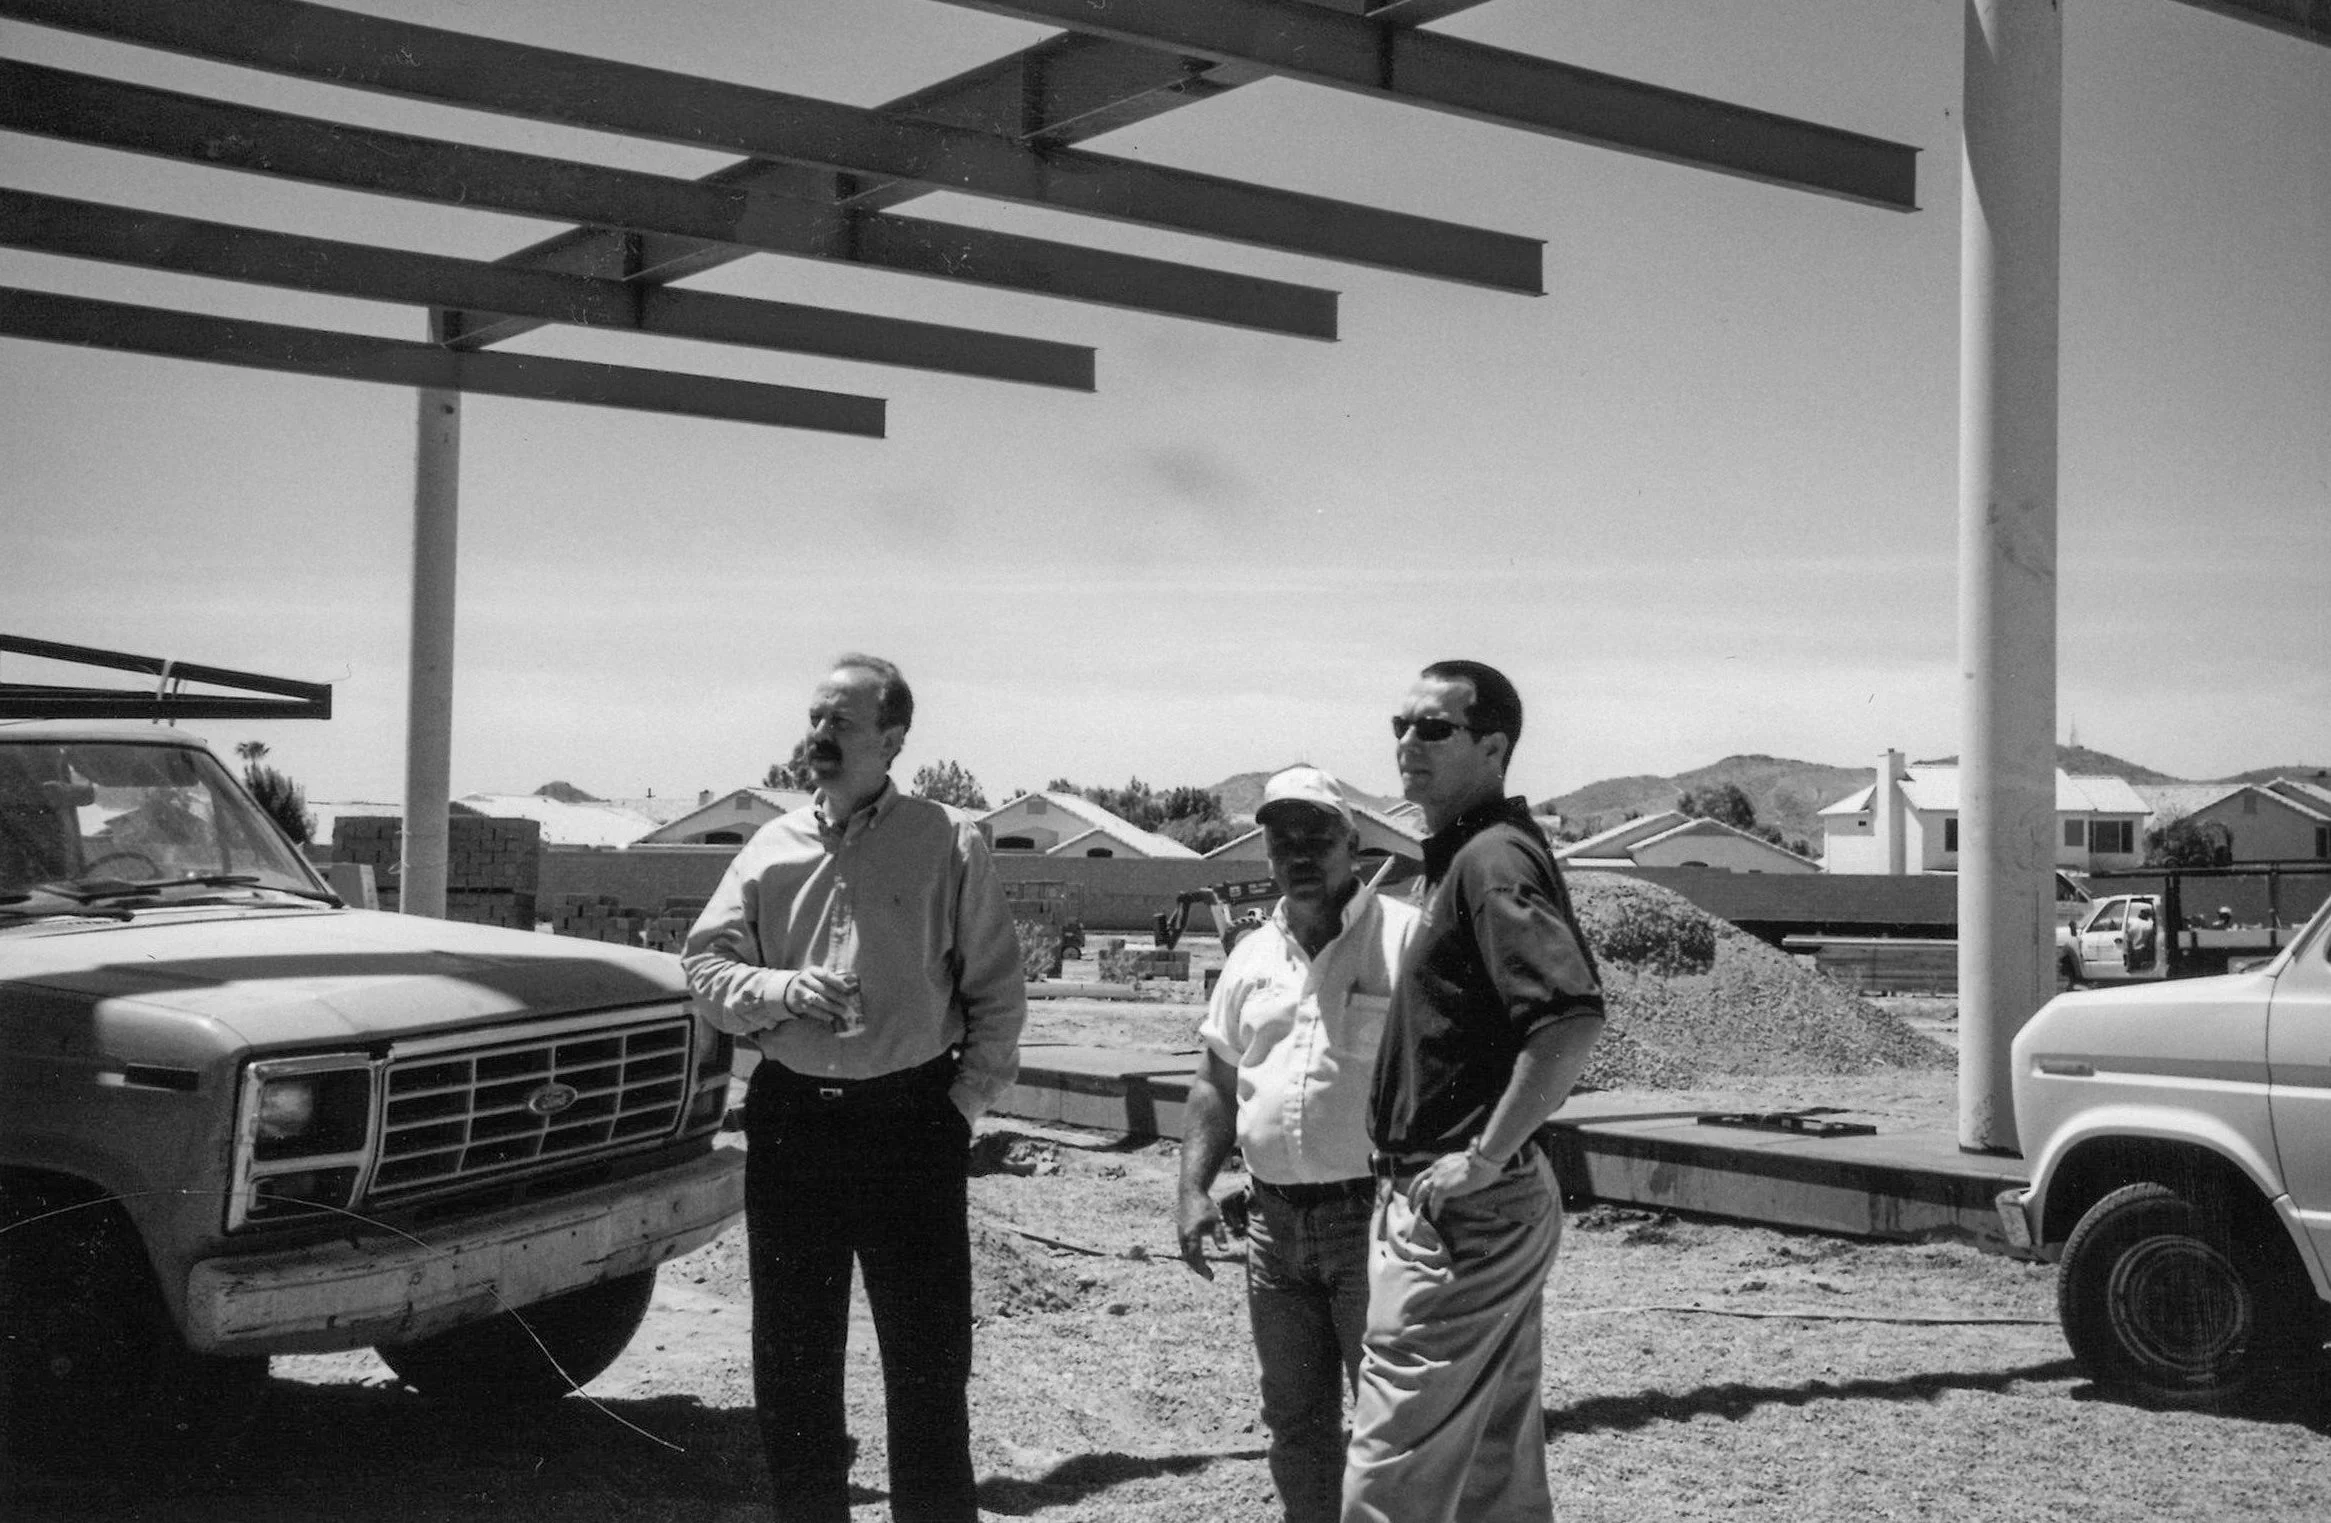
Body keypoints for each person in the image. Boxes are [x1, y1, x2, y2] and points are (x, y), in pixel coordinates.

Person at [682, 654, 1026, 1523]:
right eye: (812, 719)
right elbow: (703, 966)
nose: (816, 737)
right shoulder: (768, 847)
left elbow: (996, 992)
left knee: (927, 1359)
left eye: (838, 721)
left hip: (911, 1123)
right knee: (792, 1357)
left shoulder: (949, 840)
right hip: (795, 1123)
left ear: (893, 738)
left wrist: (959, 1109)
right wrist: (780, 990)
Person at [1343, 660, 1606, 1523]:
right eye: (1399, 726)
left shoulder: (1490, 860)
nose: (1406, 744)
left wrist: (1483, 1156)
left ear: (1492, 747)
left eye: (1433, 728)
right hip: (1474, 1203)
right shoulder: (1465, 855)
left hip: (1464, 1213)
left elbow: (1568, 1017)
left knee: (1391, 1476)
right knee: (1492, 1467)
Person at [1176, 766, 1418, 1523]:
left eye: (1318, 837)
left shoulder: (1409, 942)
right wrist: (1190, 1187)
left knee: (1395, 1430)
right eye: (1284, 841)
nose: (1301, 854)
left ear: (1352, 842)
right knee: (1295, 1423)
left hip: (1373, 1225)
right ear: (1267, 854)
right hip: (1271, 1230)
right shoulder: (1250, 955)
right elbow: (1216, 1077)